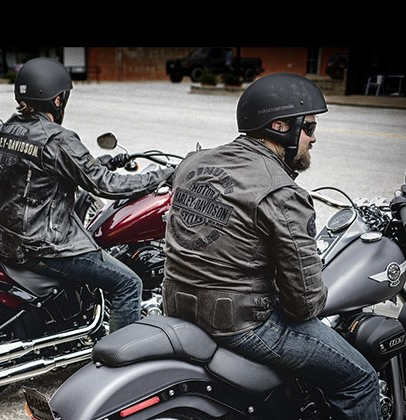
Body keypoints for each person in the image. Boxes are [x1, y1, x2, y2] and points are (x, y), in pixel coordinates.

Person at [161, 73, 380, 419]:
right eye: (308, 127)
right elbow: (303, 304)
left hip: (177, 306)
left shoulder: (193, 163)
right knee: (360, 380)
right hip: (242, 326)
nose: (314, 138)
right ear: (280, 126)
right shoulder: (282, 192)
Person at [0, 57, 174, 333]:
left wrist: (98, 161)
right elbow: (106, 186)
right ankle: (122, 358)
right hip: (46, 245)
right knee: (128, 283)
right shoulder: (57, 139)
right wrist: (162, 174)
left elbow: (44, 171)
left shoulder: (9, 128)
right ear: (58, 100)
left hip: (9, 239)